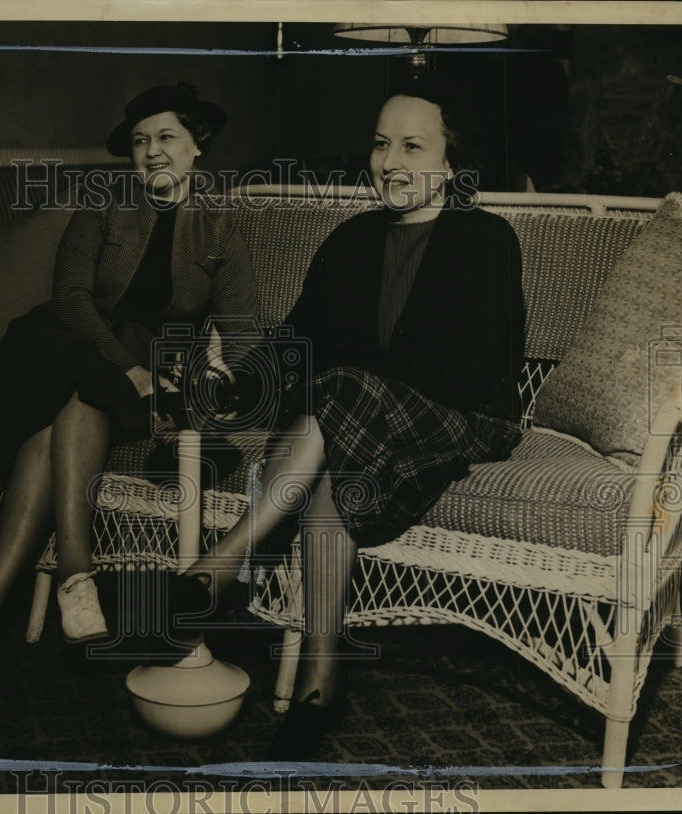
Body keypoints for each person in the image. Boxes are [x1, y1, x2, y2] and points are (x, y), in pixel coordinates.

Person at [166, 84, 525, 756]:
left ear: (452, 164)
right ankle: (318, 691)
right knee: (330, 480)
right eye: (381, 142)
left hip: (462, 416)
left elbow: (469, 369)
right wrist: (232, 385)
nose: (389, 159)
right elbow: (298, 338)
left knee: (339, 396)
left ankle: (222, 565)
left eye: (413, 145)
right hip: (358, 419)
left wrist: (352, 385)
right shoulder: (353, 238)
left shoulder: (487, 238)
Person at [0, 83, 259, 697]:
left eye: (166, 138)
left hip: (114, 382)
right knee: (87, 377)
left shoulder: (220, 233)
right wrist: (132, 372)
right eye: (140, 141)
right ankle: (79, 573)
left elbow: (241, 332)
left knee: (69, 413)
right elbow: (70, 304)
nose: (153, 152)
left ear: (195, 147)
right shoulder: (102, 206)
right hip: (51, 347)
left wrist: (218, 378)